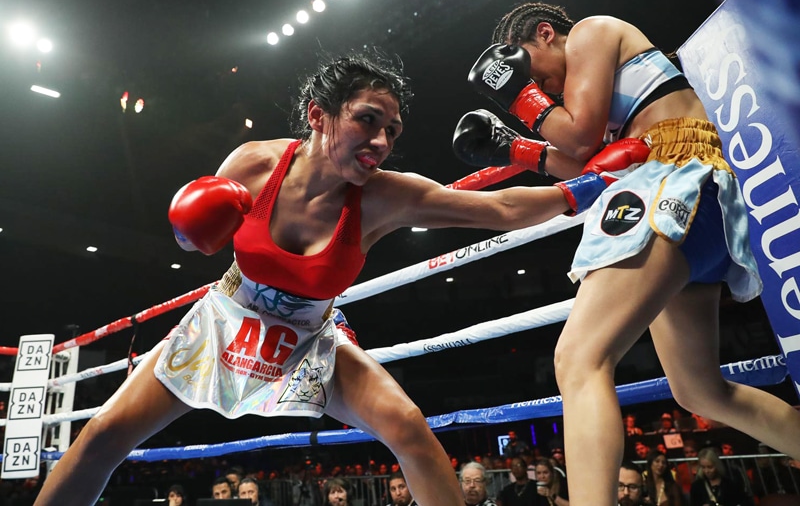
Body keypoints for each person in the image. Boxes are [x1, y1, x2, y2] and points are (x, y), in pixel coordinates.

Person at [31, 52, 644, 506]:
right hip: (229, 318)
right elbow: (196, 240)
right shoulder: (253, 164)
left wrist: (583, 189)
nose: (380, 142)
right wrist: (190, 228)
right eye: (367, 121)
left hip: (308, 334)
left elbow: (499, 211)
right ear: (318, 116)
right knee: (102, 434)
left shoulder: (385, 198)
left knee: (408, 428)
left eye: (391, 132)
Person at [462, 1, 800, 506]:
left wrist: (520, 98)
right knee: (700, 391)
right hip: (686, 207)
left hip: (678, 182)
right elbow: (578, 157)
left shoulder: (592, 33)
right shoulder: (595, 98)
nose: (545, 92)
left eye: (534, 72)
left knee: (579, 358)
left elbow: (575, 138)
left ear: (547, 34)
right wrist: (517, 148)